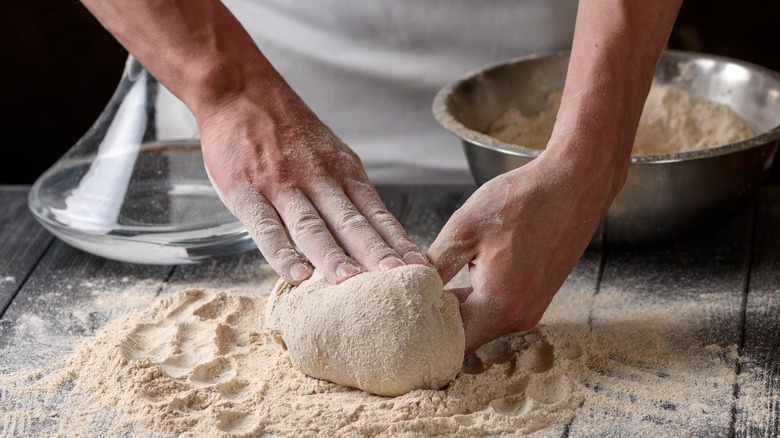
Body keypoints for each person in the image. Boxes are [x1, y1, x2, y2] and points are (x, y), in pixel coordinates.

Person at [79, 0, 682, 355]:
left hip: (536, 99)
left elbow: (586, 151)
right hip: (230, 102)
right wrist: (223, 84)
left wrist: (588, 156)